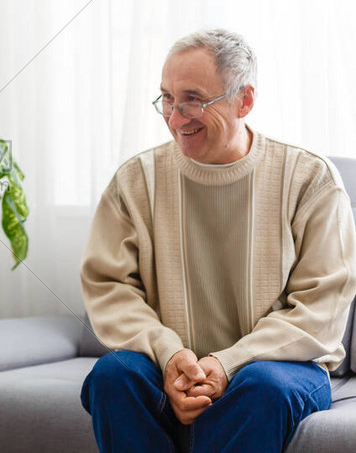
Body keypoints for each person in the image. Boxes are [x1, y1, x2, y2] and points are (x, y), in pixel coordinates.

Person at [79, 29, 356, 452]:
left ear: (244, 100)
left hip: (278, 368)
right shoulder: (135, 180)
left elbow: (321, 308)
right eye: (167, 99)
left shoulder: (310, 179)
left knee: (262, 385)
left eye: (192, 99)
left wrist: (226, 364)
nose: (175, 118)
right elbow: (110, 288)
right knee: (113, 375)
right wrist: (171, 356)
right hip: (168, 363)